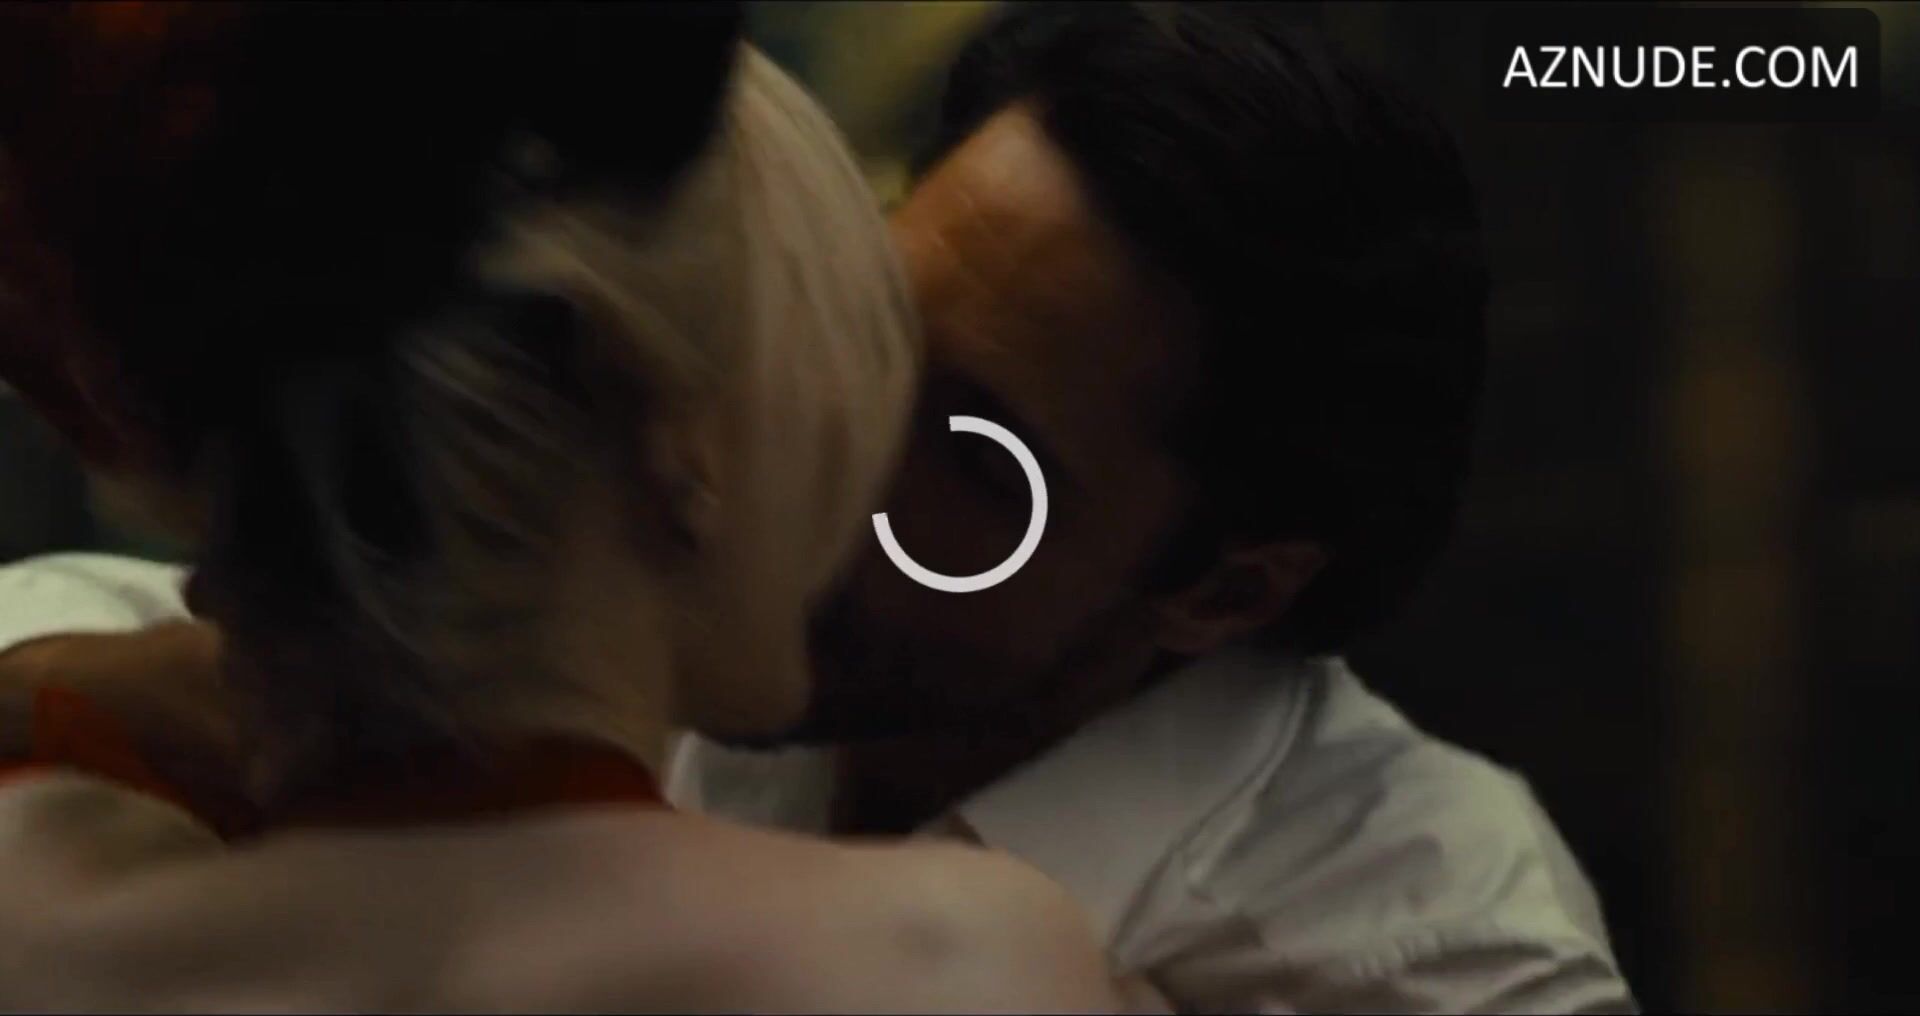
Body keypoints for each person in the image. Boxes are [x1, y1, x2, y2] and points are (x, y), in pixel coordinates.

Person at [1, 5, 1635, 1012]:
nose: (843, 453)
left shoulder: (1429, 948)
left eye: (974, 461)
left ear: (1224, 588)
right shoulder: (658, 598)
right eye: (868, 337)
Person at [0, 8, 1122, 1012]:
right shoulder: (946, 958)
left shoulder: (39, 892)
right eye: (839, 370)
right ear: (680, 430)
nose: (877, 493)